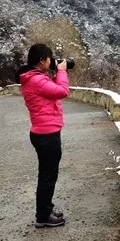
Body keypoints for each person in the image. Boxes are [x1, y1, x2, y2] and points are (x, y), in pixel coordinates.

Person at [16, 43, 70, 228]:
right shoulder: (36, 80)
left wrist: (55, 72)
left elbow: (51, 92)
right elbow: (62, 91)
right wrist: (62, 71)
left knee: (47, 175)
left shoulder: (36, 78)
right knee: (48, 176)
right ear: (41, 60)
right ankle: (43, 216)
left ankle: (46, 208)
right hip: (46, 135)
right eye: (49, 58)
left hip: (46, 132)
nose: (52, 60)